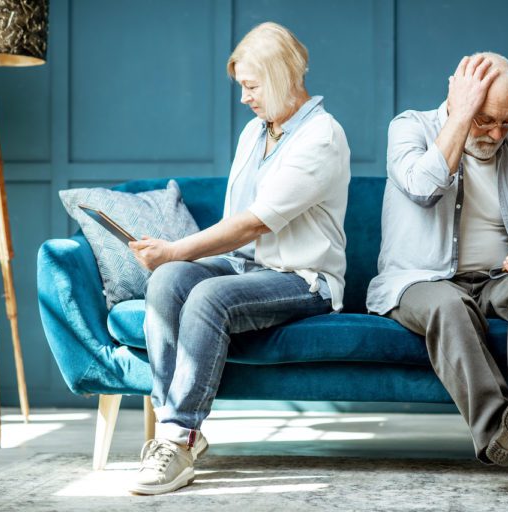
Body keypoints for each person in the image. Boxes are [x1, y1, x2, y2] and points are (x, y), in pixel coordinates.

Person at [127, 22, 350, 495]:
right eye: (242, 87)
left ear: (281, 76)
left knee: (208, 298)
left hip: (301, 278)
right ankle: (173, 431)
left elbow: (253, 222)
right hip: (244, 267)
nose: (245, 98)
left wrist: (174, 248)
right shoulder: (254, 131)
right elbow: (237, 230)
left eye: (251, 86)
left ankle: (179, 437)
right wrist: (170, 261)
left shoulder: (322, 137)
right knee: (167, 281)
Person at [367, 52, 508, 494]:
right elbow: (424, 188)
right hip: (419, 281)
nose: (497, 134)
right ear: (459, 96)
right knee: (451, 305)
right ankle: (504, 437)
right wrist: (460, 117)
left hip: (494, 280)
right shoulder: (408, 128)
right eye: (486, 120)